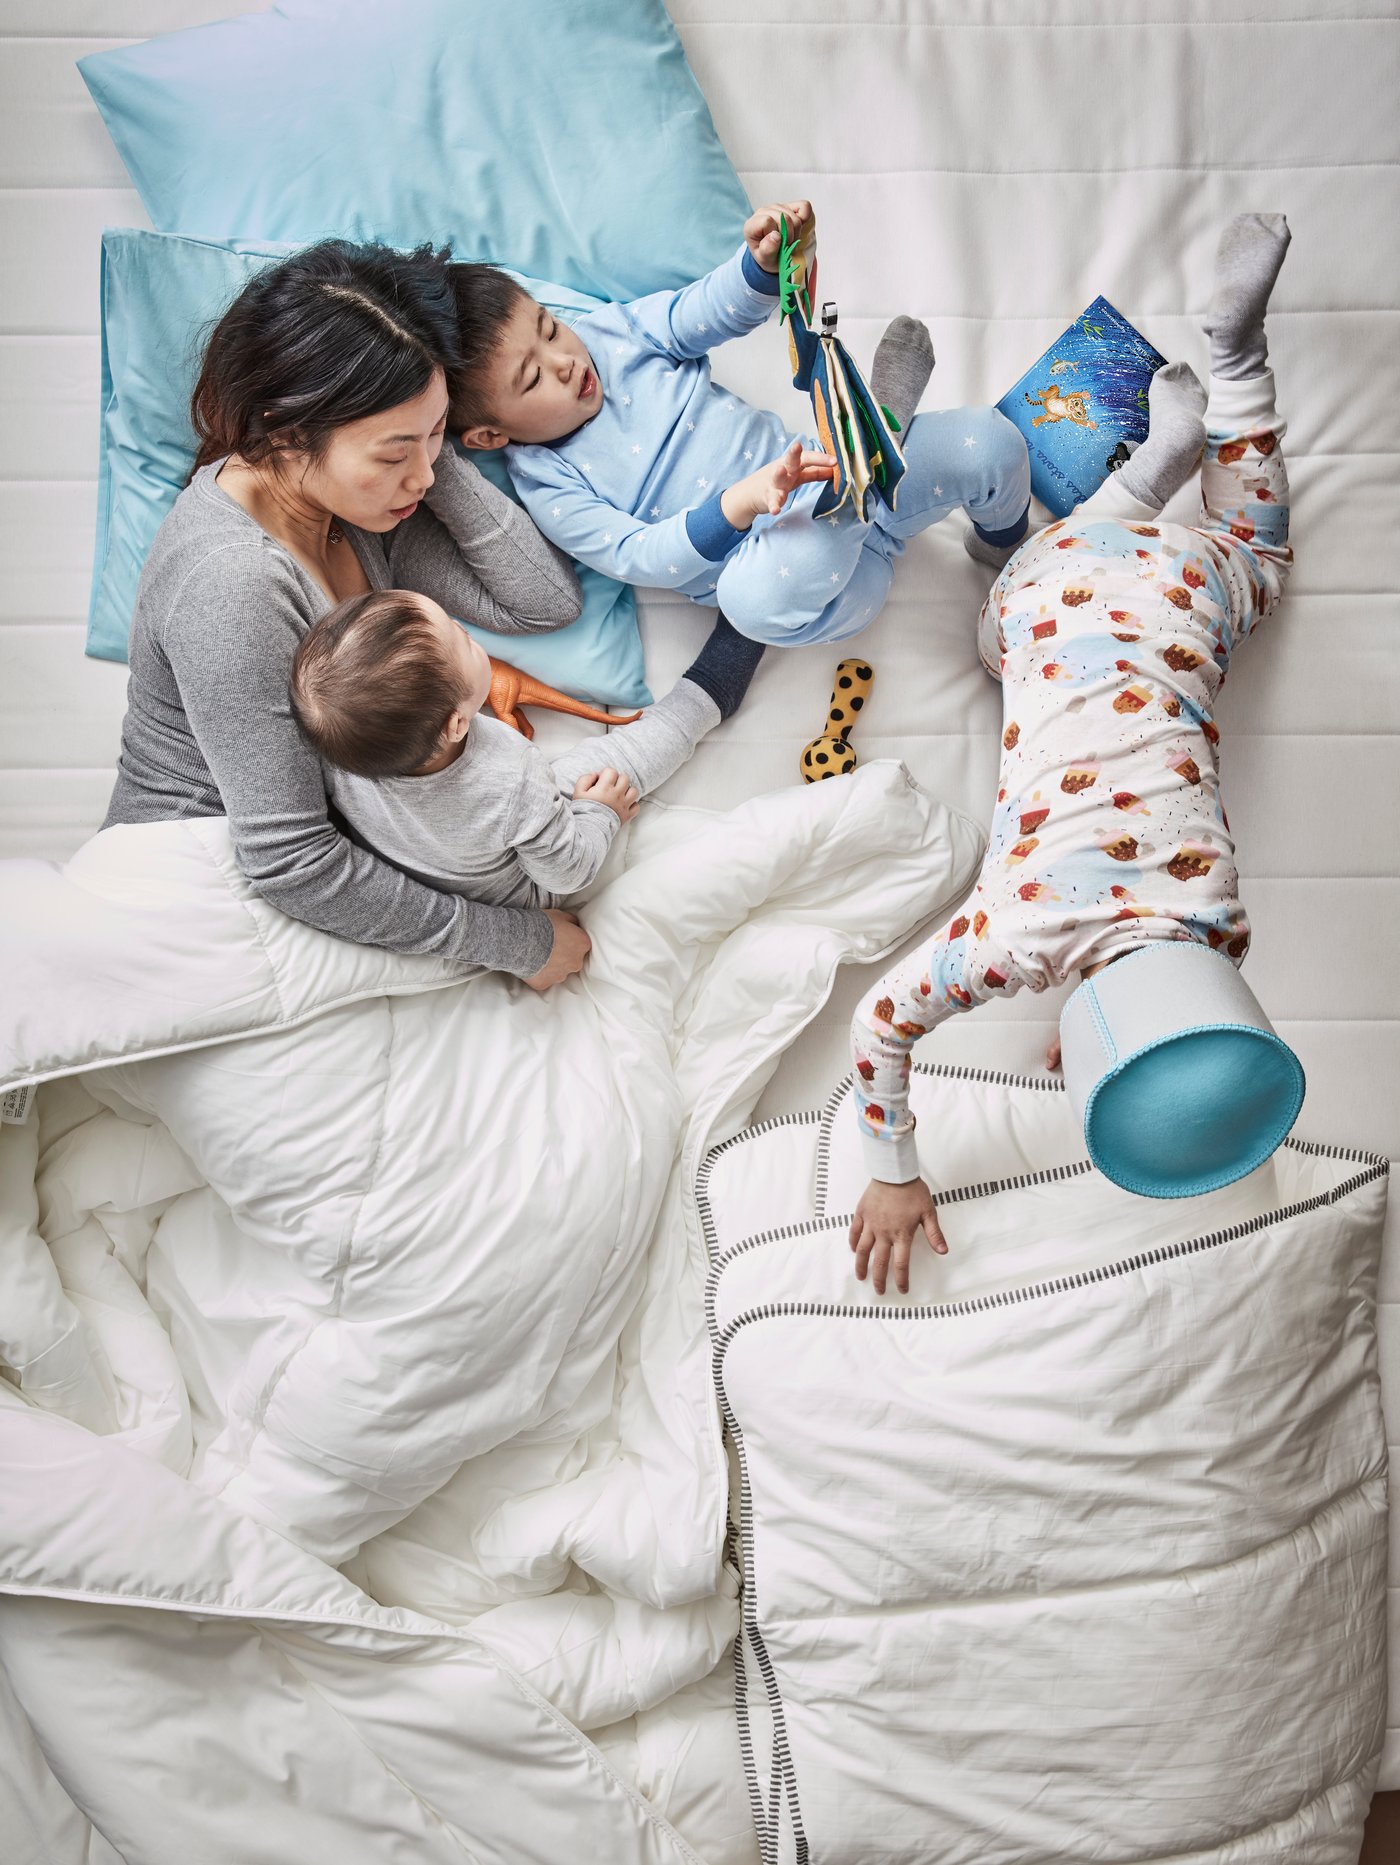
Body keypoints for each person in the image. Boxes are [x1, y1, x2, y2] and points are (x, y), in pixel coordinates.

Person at [847, 213, 1295, 1293]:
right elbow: (878, 1030)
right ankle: (1142, 470)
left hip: (1175, 584)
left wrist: (1108, 1021)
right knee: (994, 641)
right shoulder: (1008, 944)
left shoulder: (1222, 919)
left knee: (1257, 554)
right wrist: (891, 1167)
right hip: (1034, 602)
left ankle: (1218, 390)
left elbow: (1159, 949)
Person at [103, 239, 590, 990]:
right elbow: (289, 860)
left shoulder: (356, 505)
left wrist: (418, 430)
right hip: (194, 884)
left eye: (437, 438)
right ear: (289, 432)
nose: (422, 477)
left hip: (326, 869)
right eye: (395, 453)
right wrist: (517, 941)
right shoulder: (233, 584)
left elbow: (540, 600)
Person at [447, 201, 1032, 647]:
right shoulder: (547, 482)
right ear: (491, 437)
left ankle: (998, 545)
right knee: (746, 603)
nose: (566, 362)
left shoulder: (612, 335)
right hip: (796, 568)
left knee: (991, 442)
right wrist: (740, 504)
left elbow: (698, 312)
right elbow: (639, 556)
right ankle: (880, 432)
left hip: (832, 465)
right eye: (533, 379)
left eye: (550, 329)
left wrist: (757, 266)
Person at [288, 589, 763, 908]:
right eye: (464, 640)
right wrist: (601, 814)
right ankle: (711, 691)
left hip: (438, 857)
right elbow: (566, 872)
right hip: (525, 886)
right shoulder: (510, 777)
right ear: (456, 724)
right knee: (618, 763)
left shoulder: (342, 750)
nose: (469, 633)